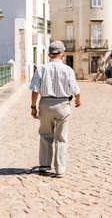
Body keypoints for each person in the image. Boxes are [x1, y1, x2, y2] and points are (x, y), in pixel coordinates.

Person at [29, 41, 81, 178]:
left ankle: (45, 165)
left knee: (45, 135)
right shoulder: (68, 70)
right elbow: (76, 90)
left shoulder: (41, 69)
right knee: (61, 138)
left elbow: (34, 90)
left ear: (49, 55)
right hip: (63, 104)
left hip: (45, 104)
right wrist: (78, 101)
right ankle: (60, 170)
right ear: (63, 55)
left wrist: (33, 107)